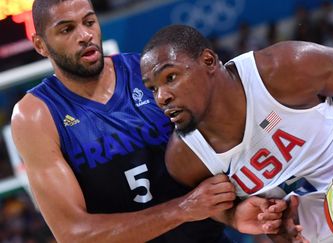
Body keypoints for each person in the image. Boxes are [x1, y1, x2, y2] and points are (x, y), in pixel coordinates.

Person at [10, 1, 287, 242]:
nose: (84, 35)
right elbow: (74, 234)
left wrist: (234, 214)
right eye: (67, 29)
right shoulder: (36, 115)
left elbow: (202, 172)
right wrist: (182, 209)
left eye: (89, 22)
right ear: (40, 45)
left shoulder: (150, 74)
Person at [139, 24, 333, 242]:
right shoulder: (184, 158)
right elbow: (221, 207)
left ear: (208, 61)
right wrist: (240, 219)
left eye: (171, 77)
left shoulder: (282, 69)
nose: (162, 96)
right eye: (153, 88)